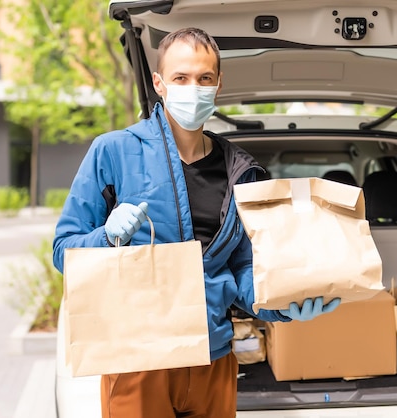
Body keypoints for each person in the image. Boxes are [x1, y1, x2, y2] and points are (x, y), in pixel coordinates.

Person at [52, 27, 340, 418]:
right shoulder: (114, 152)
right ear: (159, 83)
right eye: (181, 78)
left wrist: (284, 305)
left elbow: (243, 270)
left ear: (218, 84)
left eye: (204, 78)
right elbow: (62, 251)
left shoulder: (241, 171)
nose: (194, 88)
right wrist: (106, 236)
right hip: (138, 361)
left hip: (213, 357)